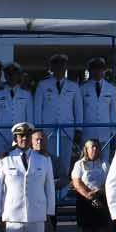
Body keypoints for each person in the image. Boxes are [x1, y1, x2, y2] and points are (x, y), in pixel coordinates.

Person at [33, 54, 82, 183]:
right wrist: (38, 128)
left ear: (65, 67)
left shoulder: (73, 86)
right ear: (52, 67)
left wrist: (78, 128)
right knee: (48, 160)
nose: (59, 68)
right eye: (56, 65)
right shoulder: (43, 85)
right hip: (48, 130)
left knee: (65, 162)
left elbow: (78, 109)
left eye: (62, 65)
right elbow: (37, 108)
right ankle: (49, 188)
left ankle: (63, 190)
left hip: (67, 129)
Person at [71, 138, 111, 232]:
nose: (95, 149)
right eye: (92, 147)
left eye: (97, 147)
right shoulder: (79, 164)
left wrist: (99, 191)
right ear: (86, 149)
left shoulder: (105, 163)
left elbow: (110, 180)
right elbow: (76, 182)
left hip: (101, 198)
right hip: (85, 200)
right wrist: (88, 195)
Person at [80, 58, 116, 150]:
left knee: (104, 158)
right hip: (88, 131)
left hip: (105, 132)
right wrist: (79, 129)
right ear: (90, 70)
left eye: (100, 68)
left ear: (104, 70)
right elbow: (80, 111)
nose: (97, 71)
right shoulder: (83, 88)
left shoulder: (111, 88)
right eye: (94, 68)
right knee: (87, 157)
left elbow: (113, 110)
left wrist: (113, 130)